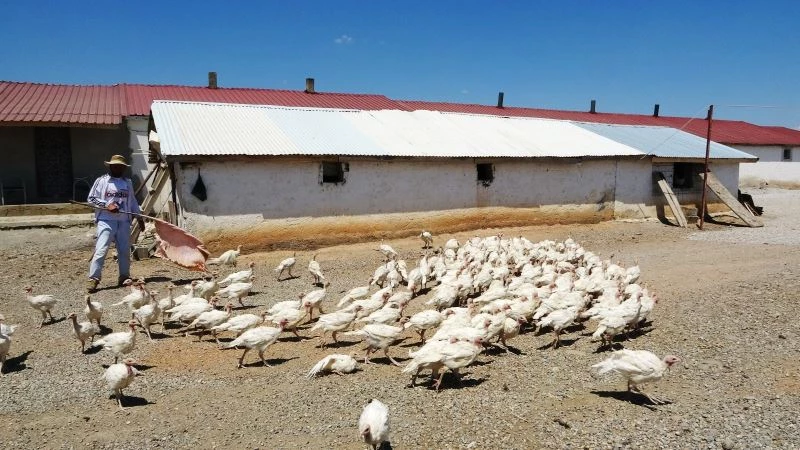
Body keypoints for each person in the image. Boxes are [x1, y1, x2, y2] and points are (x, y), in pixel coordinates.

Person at [86, 155, 145, 293]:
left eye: (121, 166)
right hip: (106, 220)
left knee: (124, 250)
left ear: (124, 168)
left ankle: (124, 276)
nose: (118, 168)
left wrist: (139, 217)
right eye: (115, 165)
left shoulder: (127, 182)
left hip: (124, 221)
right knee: (101, 249)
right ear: (110, 166)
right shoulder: (102, 181)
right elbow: (91, 199)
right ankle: (93, 278)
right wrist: (107, 205)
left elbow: (133, 201)